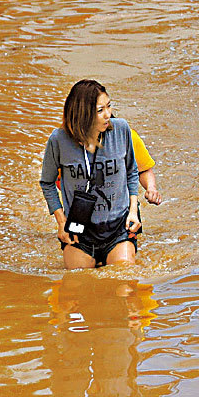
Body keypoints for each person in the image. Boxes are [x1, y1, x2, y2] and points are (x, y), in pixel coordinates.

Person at [40, 80, 141, 269]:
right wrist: (61, 222)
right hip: (79, 231)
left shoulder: (121, 130)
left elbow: (132, 171)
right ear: (83, 114)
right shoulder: (58, 140)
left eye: (109, 106)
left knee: (124, 279)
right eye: (100, 110)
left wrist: (133, 211)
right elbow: (47, 182)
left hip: (118, 226)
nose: (108, 114)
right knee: (78, 283)